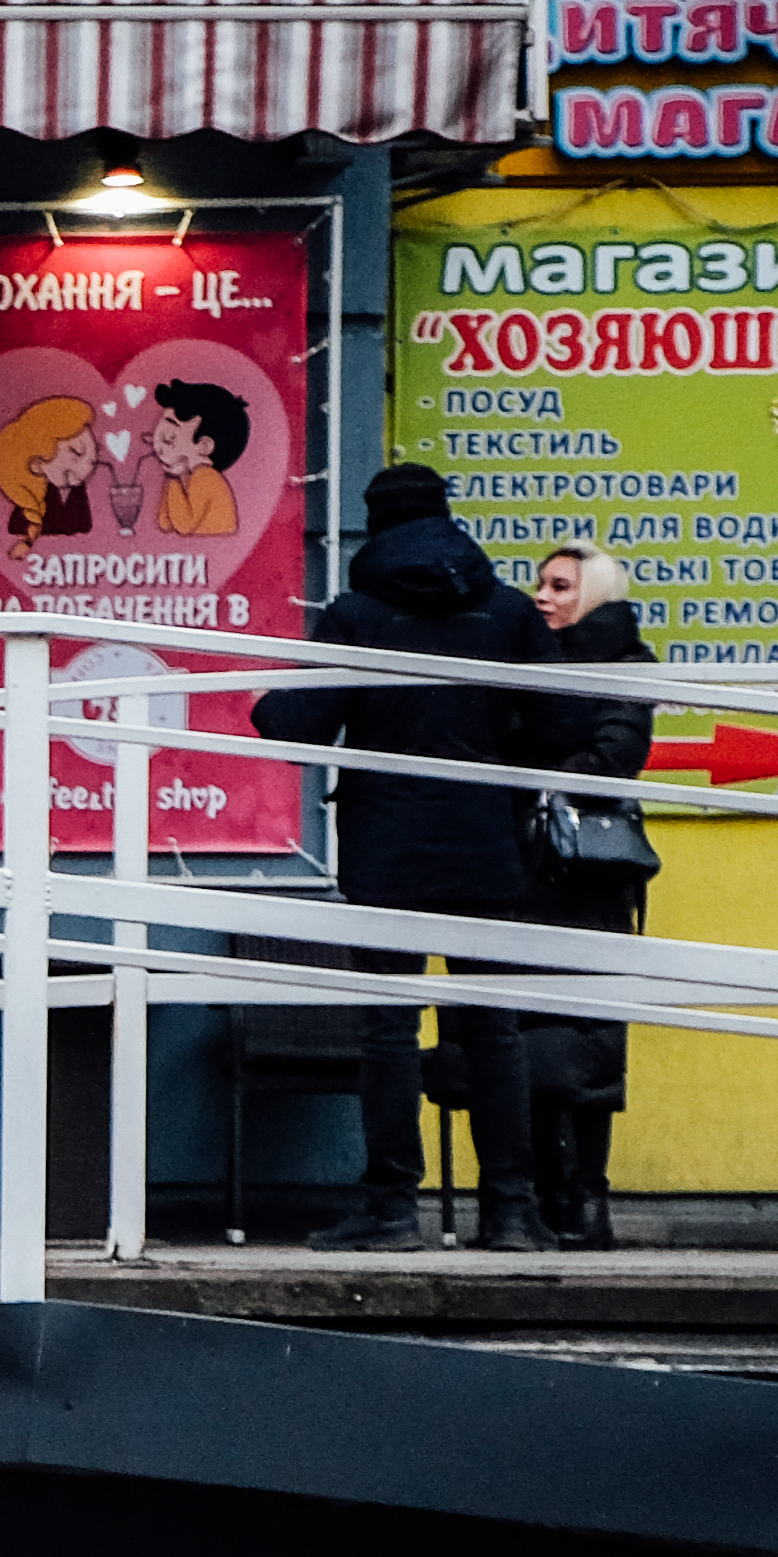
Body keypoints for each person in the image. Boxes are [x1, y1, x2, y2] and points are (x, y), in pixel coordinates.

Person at [250, 461, 557, 1250]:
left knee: (390, 1028)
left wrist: (263, 704)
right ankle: (512, 1213)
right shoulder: (507, 612)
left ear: (374, 526)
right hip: (486, 843)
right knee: (493, 1031)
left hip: (389, 848)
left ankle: (391, 1209)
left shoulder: (357, 615)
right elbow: (560, 728)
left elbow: (301, 727)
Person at [510, 542, 661, 1249]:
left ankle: (586, 1198)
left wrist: (528, 774)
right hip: (531, 872)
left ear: (594, 596)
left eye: (560, 586)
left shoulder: (626, 666)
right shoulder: (526, 663)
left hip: (587, 878)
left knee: (589, 1044)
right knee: (529, 1038)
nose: (543, 595)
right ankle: (550, 1193)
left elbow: (612, 761)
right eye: (540, 583)